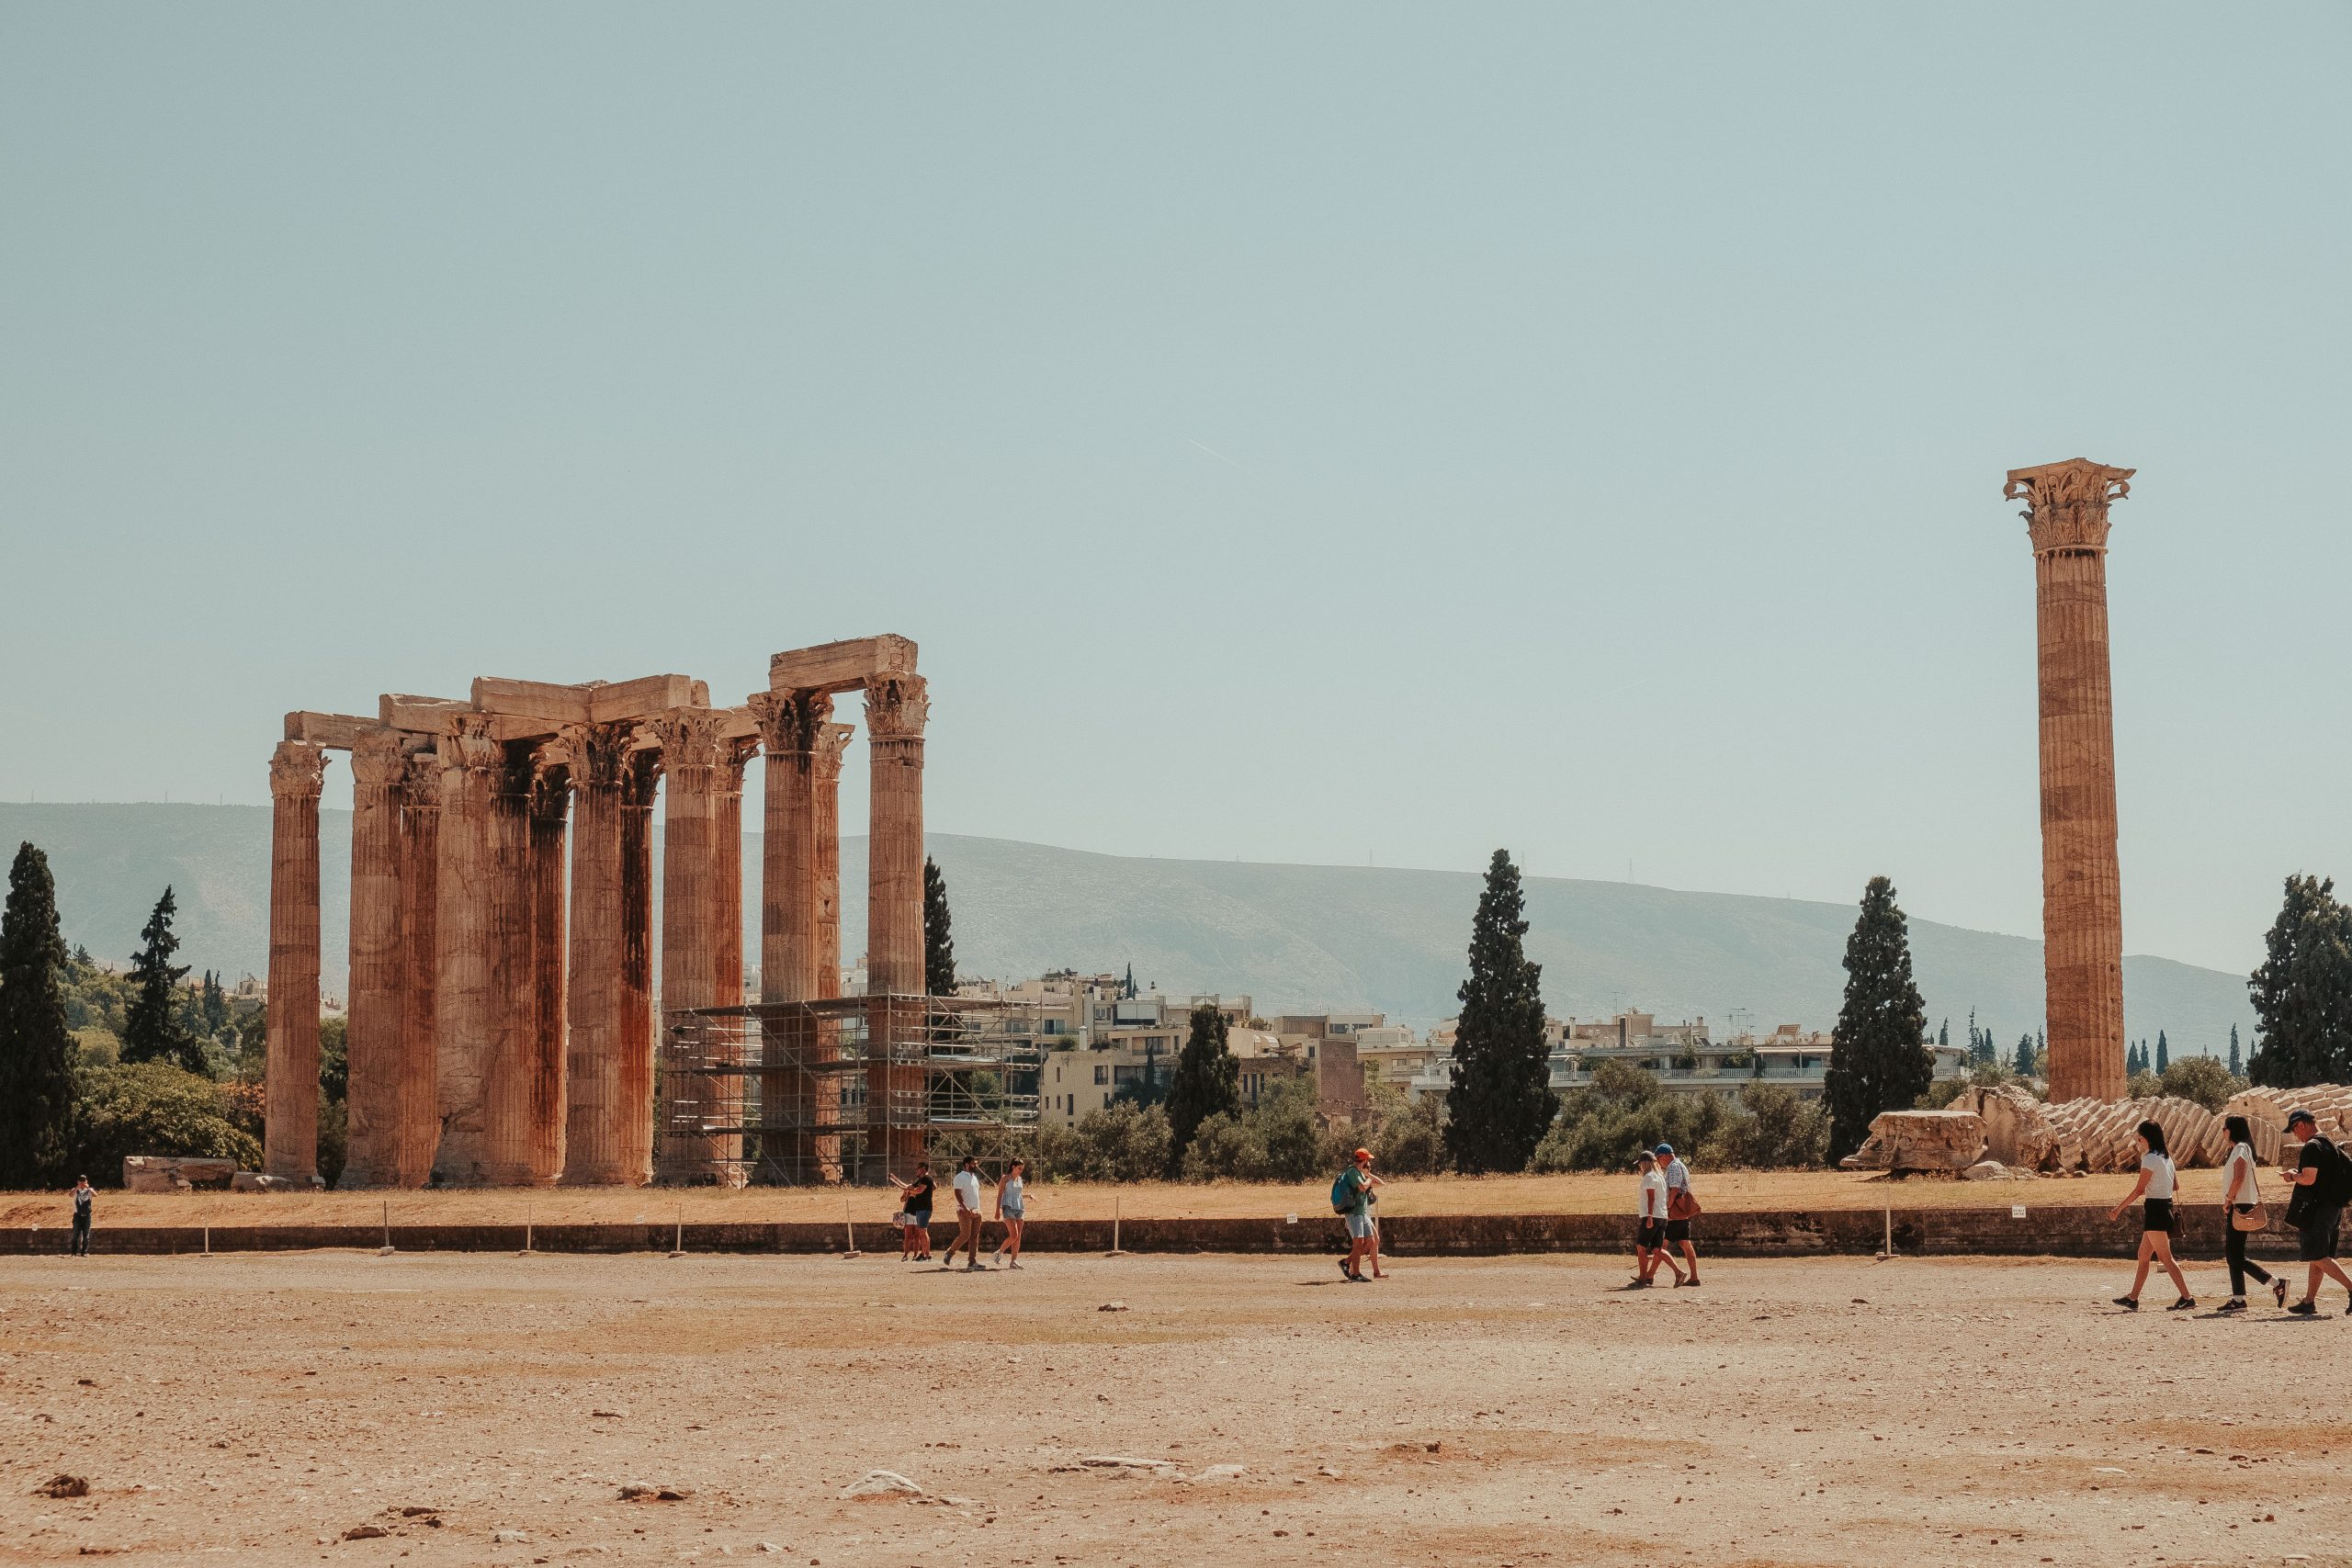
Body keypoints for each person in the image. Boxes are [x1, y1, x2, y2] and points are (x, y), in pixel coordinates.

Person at [2106, 1120, 2194, 1312]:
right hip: (2164, 1207)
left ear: (2145, 1139)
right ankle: (2133, 1298)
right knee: (2143, 1255)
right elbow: (2175, 1186)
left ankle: (2187, 1298)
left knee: (2166, 1258)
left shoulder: (2150, 1159)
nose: (2138, 1142)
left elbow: (2139, 1190)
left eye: (2139, 1139)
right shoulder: (2166, 1158)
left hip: (2156, 1210)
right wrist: (2158, 1185)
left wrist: (2118, 1209)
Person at [2278, 1110, 2352, 1316]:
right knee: (2319, 1256)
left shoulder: (2312, 1146)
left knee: (2317, 1255)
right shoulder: (2328, 1143)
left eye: (2294, 1130)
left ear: (2301, 1125)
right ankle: (2309, 1301)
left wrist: (2292, 1176)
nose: (2295, 1135)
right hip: (2333, 1207)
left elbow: (2309, 1179)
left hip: (2318, 1209)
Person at [2218, 1113, 2283, 1313]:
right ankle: (2238, 1299)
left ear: (2231, 1130)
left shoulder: (2240, 1148)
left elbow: (2239, 1178)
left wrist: (2228, 1199)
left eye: (2225, 1128)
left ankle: (2276, 1283)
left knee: (2235, 1255)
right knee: (2233, 1254)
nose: (2223, 1132)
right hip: (2242, 1203)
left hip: (2240, 1205)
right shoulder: (2242, 1148)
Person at [1630, 1151, 1682, 1287]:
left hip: (1652, 1215)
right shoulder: (1660, 1176)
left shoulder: (1649, 1177)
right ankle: (1679, 1272)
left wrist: (1649, 1218)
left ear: (1644, 1163)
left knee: (1641, 1247)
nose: (1640, 1167)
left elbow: (1651, 1198)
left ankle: (1642, 1279)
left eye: (1640, 1164)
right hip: (1662, 1215)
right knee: (1657, 1249)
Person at [1655, 1144, 1701, 1287]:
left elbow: (1674, 1190)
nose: (1659, 1162)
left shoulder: (1673, 1167)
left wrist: (1668, 1207)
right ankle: (1694, 1277)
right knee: (1685, 1243)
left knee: (1660, 1246)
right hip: (1683, 1212)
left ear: (1666, 1155)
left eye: (1659, 1158)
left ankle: (1649, 1276)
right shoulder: (1680, 1165)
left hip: (1675, 1212)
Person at [1335, 1147, 1384, 1282]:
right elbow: (1362, 1187)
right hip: (1354, 1213)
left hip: (1361, 1213)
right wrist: (1368, 1180)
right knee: (1358, 1243)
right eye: (1368, 1159)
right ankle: (1355, 1273)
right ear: (1365, 1159)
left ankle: (1346, 1262)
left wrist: (1367, 1177)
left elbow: (1378, 1184)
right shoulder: (1352, 1172)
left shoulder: (1359, 1172)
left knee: (1370, 1241)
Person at [944, 1156, 986, 1271]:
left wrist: (977, 1209)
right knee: (965, 1234)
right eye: (974, 1164)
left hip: (976, 1210)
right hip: (964, 1211)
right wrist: (965, 1207)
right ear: (967, 1165)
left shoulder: (974, 1177)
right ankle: (950, 1252)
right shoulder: (960, 1177)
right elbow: (957, 1193)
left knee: (974, 1237)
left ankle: (972, 1262)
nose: (976, 1165)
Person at [892, 1162, 935, 1262]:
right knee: (920, 1232)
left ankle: (926, 1255)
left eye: (918, 1168)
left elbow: (919, 1191)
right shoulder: (920, 1180)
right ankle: (923, 1254)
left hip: (924, 1209)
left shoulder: (926, 1179)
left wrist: (911, 1192)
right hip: (918, 1210)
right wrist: (896, 1180)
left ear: (923, 1168)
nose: (916, 1170)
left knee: (922, 1233)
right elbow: (908, 1187)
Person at [991, 1159, 1029, 1269]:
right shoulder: (1005, 1179)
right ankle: (999, 1252)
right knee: (1014, 1234)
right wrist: (997, 1211)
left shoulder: (1020, 1179)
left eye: (1022, 1168)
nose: (1021, 1170)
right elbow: (999, 1196)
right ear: (1013, 1167)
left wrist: (1028, 1196)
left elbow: (1018, 1194)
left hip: (1019, 1208)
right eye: (1019, 1168)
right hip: (1008, 1208)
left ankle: (1013, 1261)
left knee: (1018, 1236)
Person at [69, 1176, 93, 1258]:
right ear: (78, 1181)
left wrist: (88, 1188)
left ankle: (84, 1252)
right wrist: (77, 1187)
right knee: (75, 1235)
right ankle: (74, 1252)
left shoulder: (90, 1190)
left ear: (86, 1181)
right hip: (77, 1216)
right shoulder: (75, 1190)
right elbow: (70, 1194)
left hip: (87, 1216)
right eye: (81, 1181)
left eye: (84, 1181)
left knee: (86, 1235)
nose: (82, 1183)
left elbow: (96, 1195)